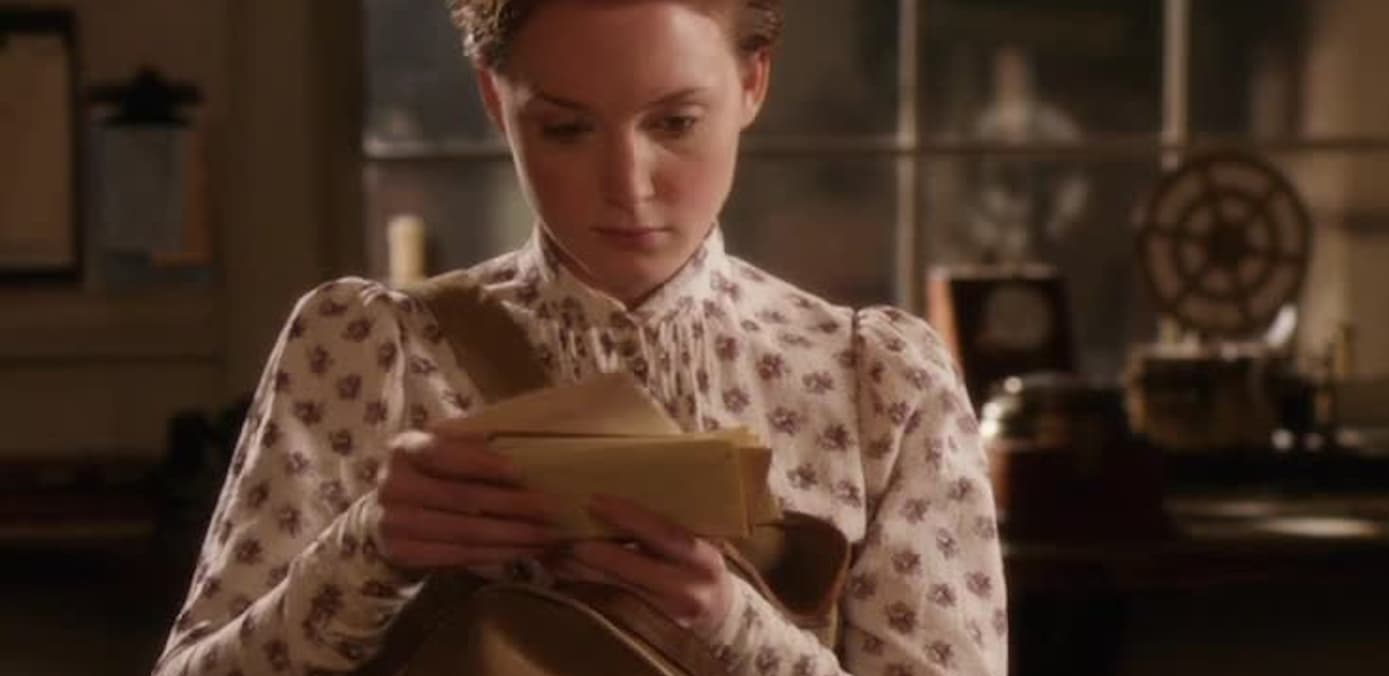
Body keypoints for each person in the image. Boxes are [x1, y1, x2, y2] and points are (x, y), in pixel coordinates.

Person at [149, 1, 1008, 674]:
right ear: (495, 99)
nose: (627, 185)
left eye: (674, 123)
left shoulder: (877, 382)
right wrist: (368, 552)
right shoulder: (368, 348)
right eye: (566, 128)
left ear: (753, 82)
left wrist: (731, 627)